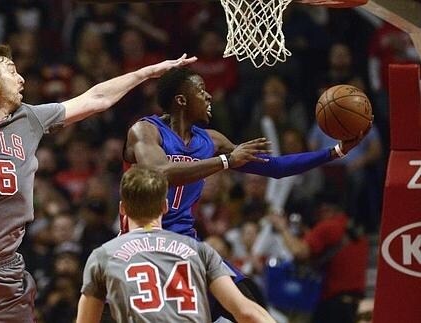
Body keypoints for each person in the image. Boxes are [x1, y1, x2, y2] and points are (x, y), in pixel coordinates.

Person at [0, 44, 198, 322]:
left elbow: (96, 98)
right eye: (12, 71)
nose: (22, 78)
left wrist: (146, 73)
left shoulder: (30, 118)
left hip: (5, 269)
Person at [120, 67, 369, 318]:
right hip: (145, 242)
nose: (208, 97)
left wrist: (335, 152)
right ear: (181, 100)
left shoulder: (212, 141)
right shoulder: (145, 130)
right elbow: (159, 172)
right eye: (201, 91)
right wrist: (227, 161)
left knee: (251, 303)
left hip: (186, 243)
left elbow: (275, 168)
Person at [77, 166, 275, 323]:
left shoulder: (102, 256)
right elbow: (247, 312)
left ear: (122, 208)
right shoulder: (200, 250)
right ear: (164, 206)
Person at [267, 195, 369, 323]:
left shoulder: (328, 227)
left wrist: (282, 227)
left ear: (325, 209)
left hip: (334, 306)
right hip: (355, 304)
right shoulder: (356, 232)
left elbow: (299, 252)